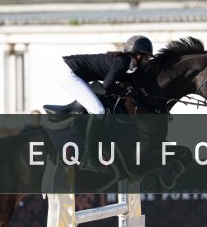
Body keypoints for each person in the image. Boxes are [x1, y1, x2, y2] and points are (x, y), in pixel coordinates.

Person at [55, 35, 154, 170]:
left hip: (73, 71)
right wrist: (123, 92)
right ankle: (88, 158)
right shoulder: (123, 62)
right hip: (68, 72)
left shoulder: (125, 63)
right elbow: (107, 85)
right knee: (98, 110)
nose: (146, 61)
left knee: (95, 105)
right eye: (146, 57)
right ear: (138, 55)